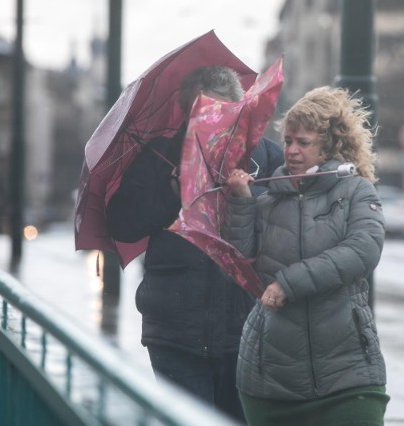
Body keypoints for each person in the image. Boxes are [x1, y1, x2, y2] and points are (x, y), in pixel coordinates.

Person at [105, 66, 283, 422]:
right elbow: (121, 224)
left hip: (244, 330)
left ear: (238, 111)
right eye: (203, 113)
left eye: (222, 112)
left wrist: (244, 200)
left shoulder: (265, 156)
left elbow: (283, 235)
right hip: (174, 330)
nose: (213, 121)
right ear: (188, 113)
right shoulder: (161, 155)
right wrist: (171, 196)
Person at [222, 86, 389, 426]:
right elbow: (241, 262)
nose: (292, 151)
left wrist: (289, 284)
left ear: (328, 145)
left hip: (348, 374)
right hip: (271, 382)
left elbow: (363, 249)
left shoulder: (357, 191)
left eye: (304, 142)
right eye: (288, 141)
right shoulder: (268, 199)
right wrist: (241, 201)